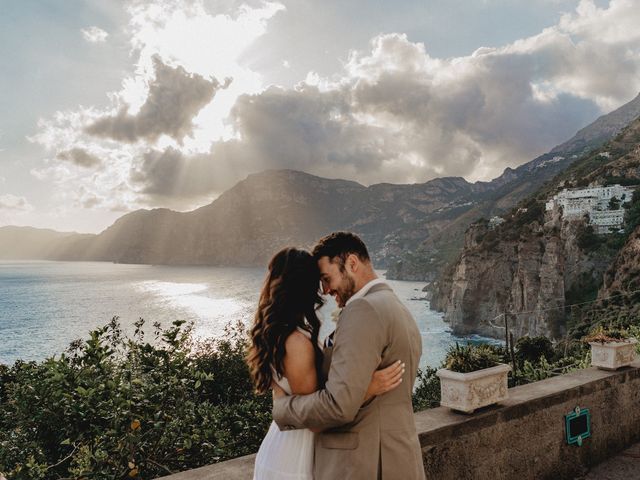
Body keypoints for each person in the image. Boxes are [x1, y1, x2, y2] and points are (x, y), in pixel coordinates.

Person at [271, 233, 425, 480]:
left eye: (326, 278)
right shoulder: (395, 306)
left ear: (352, 263)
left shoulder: (362, 309)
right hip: (396, 457)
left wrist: (282, 408)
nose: (325, 290)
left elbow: (338, 406)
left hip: (363, 464)